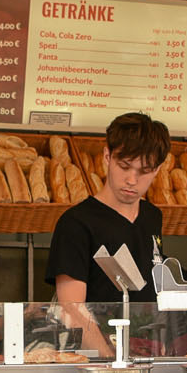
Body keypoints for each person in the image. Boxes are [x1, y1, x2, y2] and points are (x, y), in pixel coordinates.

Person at [46, 112, 170, 356]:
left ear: (157, 170)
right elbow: (71, 308)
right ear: (107, 157)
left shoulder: (152, 217)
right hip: (94, 360)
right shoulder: (77, 223)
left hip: (144, 354)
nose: (132, 180)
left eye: (144, 170)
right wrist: (108, 358)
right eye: (124, 166)